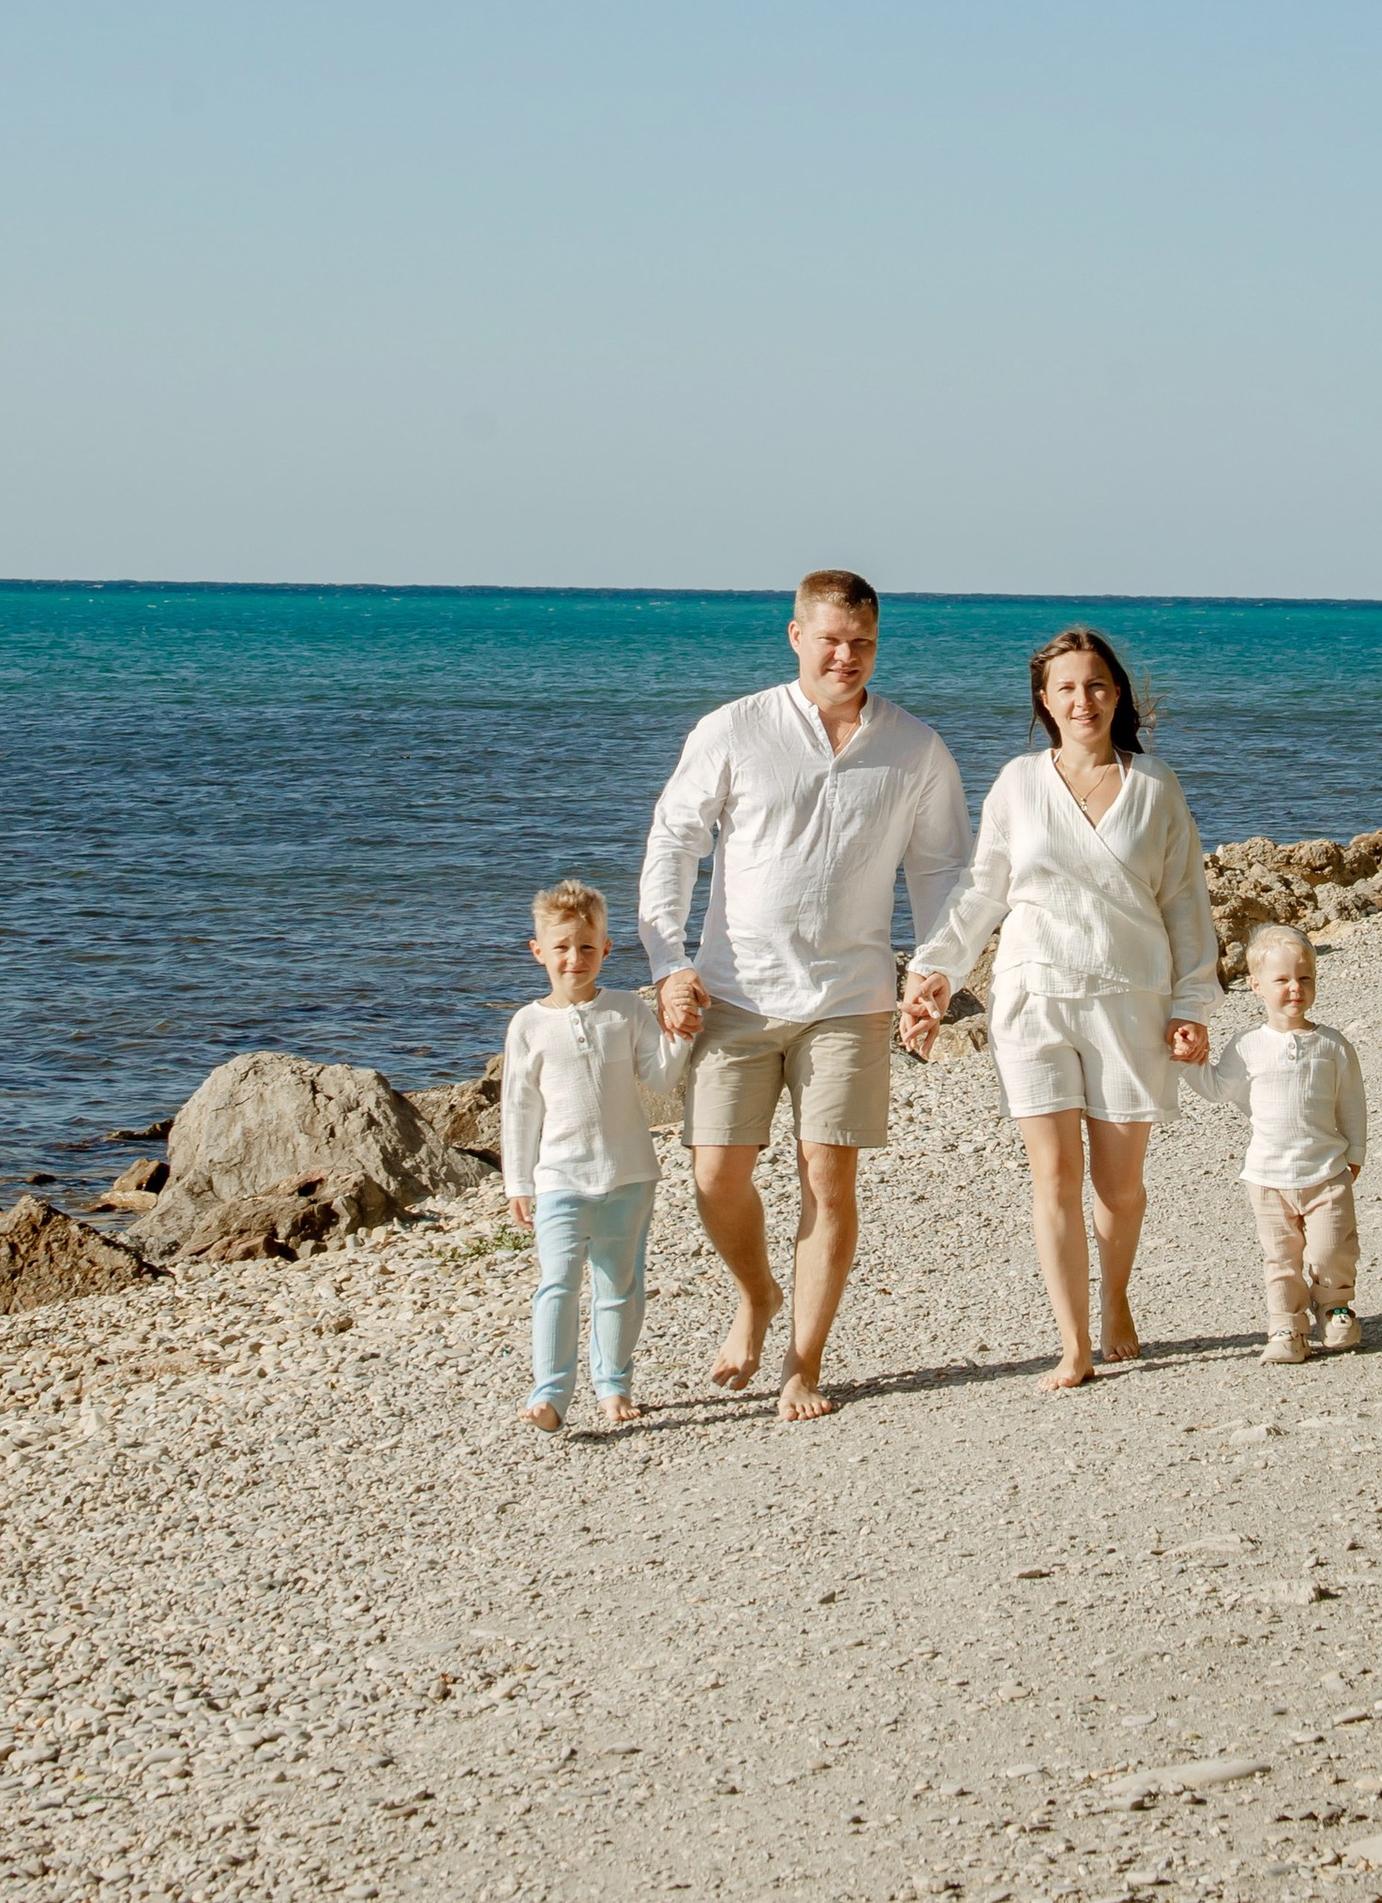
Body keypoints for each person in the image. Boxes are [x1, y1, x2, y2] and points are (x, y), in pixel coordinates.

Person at [639, 571, 971, 1422]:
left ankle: (803, 1365)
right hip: (734, 992)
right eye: (829, 640)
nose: (845, 657)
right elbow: (675, 840)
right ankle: (757, 1293)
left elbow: (942, 871)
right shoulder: (736, 728)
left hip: (852, 997)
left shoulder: (914, 747)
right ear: (796, 636)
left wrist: (935, 971)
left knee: (828, 1181)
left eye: (861, 643)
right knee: (716, 1174)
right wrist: (668, 960)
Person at [902, 625, 1217, 1391]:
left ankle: (1115, 1298)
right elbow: (984, 887)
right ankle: (1073, 1344)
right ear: (1044, 700)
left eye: (1097, 685)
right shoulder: (1018, 783)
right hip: (1032, 998)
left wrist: (1192, 1004)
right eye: (1067, 687)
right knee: (1053, 1177)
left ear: (1118, 694)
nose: (1084, 700)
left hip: (1129, 999)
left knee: (1119, 1186)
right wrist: (936, 969)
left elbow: (1185, 902)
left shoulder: (1155, 786)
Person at [501, 877, 686, 1433]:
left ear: (606, 948)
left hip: (628, 1174)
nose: (574, 959)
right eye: (561, 947)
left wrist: (683, 1033)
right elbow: (519, 1109)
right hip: (559, 1177)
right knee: (557, 1283)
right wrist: (518, 1182)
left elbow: (660, 1077)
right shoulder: (528, 1025)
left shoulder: (625, 1010)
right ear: (538, 951)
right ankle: (550, 1393)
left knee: (618, 1286)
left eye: (586, 947)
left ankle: (613, 1385)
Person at [1214, 921, 1367, 1366]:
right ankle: (1286, 1326)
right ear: (1255, 985)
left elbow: (1351, 1102)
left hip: (1326, 1171)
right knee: (1280, 1258)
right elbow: (1218, 1089)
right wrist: (1187, 1060)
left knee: (1333, 1247)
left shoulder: (1331, 1044)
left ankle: (1334, 1305)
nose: (1295, 988)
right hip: (1267, 1177)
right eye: (1282, 980)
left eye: (1305, 978)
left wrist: (1355, 1152)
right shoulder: (1246, 1046)